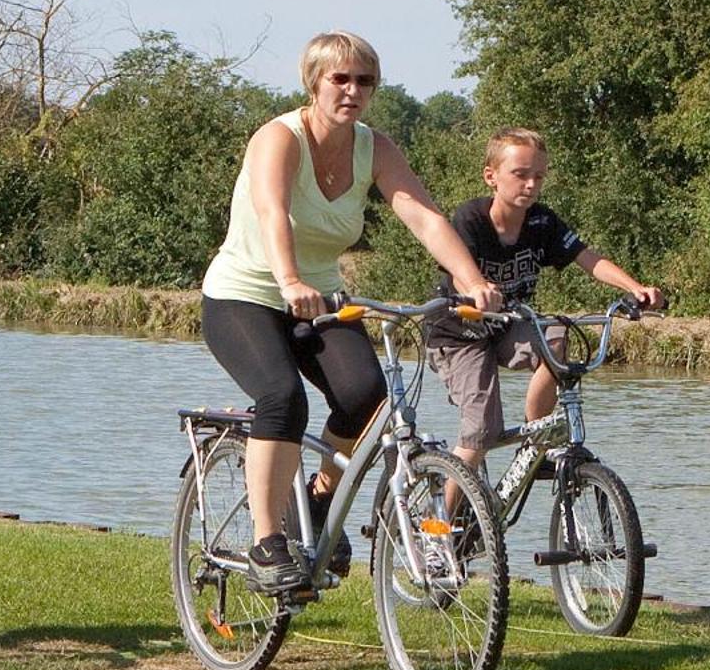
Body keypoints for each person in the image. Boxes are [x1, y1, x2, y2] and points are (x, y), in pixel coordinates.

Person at [200, 31, 502, 594]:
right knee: (281, 398)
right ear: (314, 82)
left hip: (321, 300)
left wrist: (473, 280)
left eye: (364, 81)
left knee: (368, 400)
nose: (352, 90)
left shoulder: (375, 148)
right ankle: (267, 542)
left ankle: (316, 501)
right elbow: (273, 214)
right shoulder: (279, 137)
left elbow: (426, 219)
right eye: (340, 78)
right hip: (245, 294)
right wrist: (288, 280)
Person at [425, 128, 664, 486]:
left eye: (538, 176)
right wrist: (476, 288)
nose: (530, 185)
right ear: (491, 176)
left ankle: (536, 444)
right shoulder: (471, 219)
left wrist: (636, 288)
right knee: (481, 432)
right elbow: (460, 272)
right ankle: (440, 531)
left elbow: (588, 258)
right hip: (458, 334)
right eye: (520, 174)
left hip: (505, 327)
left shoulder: (542, 221)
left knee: (556, 337)